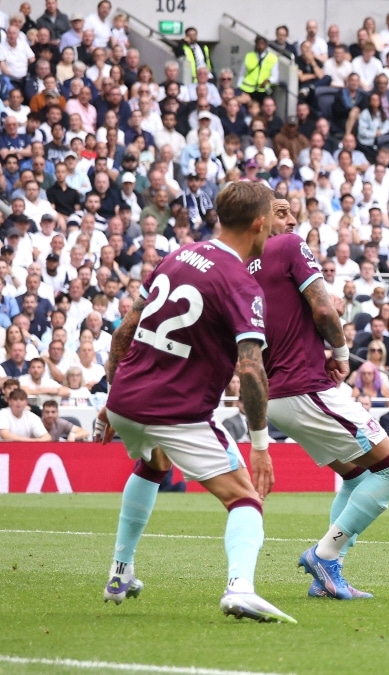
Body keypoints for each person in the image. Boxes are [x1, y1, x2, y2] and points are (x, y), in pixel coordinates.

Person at [98, 183, 295, 623]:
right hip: (176, 411)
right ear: (260, 224)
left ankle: (120, 572)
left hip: (127, 398)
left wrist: (112, 400)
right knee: (245, 498)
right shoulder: (243, 284)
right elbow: (250, 370)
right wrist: (260, 443)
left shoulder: (178, 255)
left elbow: (124, 330)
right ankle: (240, 588)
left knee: (154, 463)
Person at [249, 198, 389, 600]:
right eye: (281, 211)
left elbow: (283, 324)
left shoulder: (242, 265)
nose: (290, 219)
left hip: (277, 394)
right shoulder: (288, 245)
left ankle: (326, 577)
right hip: (305, 387)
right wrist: (339, 355)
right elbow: (322, 307)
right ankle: (326, 554)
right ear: (260, 218)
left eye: (292, 213)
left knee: (356, 473)